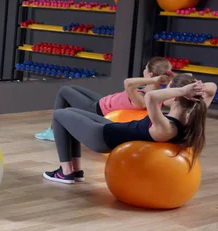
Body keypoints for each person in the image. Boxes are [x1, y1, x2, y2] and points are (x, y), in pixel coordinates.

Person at [44, 74, 216, 184]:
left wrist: (182, 89)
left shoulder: (166, 126)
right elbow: (213, 87)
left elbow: (150, 97)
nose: (166, 92)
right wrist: (192, 88)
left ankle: (66, 172)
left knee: (59, 114)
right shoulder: (192, 117)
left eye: (169, 89)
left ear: (177, 97)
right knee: (69, 113)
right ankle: (76, 171)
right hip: (110, 127)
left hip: (103, 138)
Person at [35, 57, 175, 142]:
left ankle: (54, 132)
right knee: (71, 88)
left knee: (64, 91)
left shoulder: (144, 99)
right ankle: (58, 128)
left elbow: (127, 82)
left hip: (98, 109)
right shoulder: (159, 94)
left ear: (150, 74)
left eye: (145, 69)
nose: (143, 70)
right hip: (103, 101)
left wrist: (152, 79)